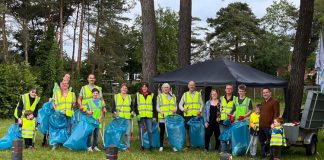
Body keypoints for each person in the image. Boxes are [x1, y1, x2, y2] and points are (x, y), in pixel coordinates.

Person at [179, 81, 204, 150]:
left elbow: (202, 104)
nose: (192, 86)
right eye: (190, 85)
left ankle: (197, 146)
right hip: (187, 115)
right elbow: (180, 104)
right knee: (187, 130)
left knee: (196, 131)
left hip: (196, 115)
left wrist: (200, 110)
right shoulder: (185, 94)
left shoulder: (198, 94)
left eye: (193, 85)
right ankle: (188, 146)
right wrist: (183, 109)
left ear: (195, 86)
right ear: (188, 86)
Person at [52, 80, 76, 150]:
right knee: (58, 128)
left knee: (68, 129)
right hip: (59, 113)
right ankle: (55, 143)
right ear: (61, 85)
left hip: (68, 113)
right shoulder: (56, 93)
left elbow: (73, 104)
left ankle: (68, 144)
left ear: (68, 85)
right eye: (63, 84)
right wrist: (56, 110)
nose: (65, 85)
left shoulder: (72, 94)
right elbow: (53, 103)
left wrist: (73, 104)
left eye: (66, 84)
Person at [111, 83, 133, 151]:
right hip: (119, 118)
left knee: (127, 133)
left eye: (125, 88)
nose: (124, 89)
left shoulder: (129, 97)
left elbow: (132, 107)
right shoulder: (116, 96)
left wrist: (132, 113)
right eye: (123, 88)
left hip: (127, 117)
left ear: (127, 90)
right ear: (120, 89)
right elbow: (113, 107)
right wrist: (114, 112)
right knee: (118, 132)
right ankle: (117, 145)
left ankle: (127, 147)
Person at [134, 82, 156, 151]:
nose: (144, 88)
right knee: (141, 131)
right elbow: (135, 106)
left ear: (147, 88)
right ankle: (142, 146)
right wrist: (137, 114)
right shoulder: (137, 95)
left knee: (150, 130)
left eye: (145, 87)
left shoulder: (152, 95)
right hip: (140, 116)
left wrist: (154, 116)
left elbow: (154, 106)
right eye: (143, 87)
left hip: (149, 116)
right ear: (141, 88)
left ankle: (150, 146)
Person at [156, 83, 177, 152]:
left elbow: (175, 106)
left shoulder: (173, 96)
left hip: (171, 118)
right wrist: (160, 111)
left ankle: (173, 146)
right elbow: (157, 107)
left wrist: (175, 109)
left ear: (169, 88)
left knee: (172, 132)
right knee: (162, 132)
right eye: (164, 87)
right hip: (162, 118)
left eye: (167, 87)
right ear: (162, 89)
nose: (166, 89)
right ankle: (161, 146)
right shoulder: (159, 96)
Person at [259, 87, 280, 159]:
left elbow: (276, 114)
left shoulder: (274, 102)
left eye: (266, 92)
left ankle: (272, 157)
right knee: (262, 142)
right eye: (264, 92)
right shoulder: (263, 102)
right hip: (261, 125)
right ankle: (263, 155)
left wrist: (273, 124)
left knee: (271, 143)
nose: (265, 94)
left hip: (269, 126)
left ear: (270, 93)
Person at [219, 84, 236, 153]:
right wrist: (218, 117)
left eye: (230, 88)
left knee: (231, 136)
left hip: (231, 121)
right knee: (223, 136)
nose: (228, 89)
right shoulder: (221, 98)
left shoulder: (235, 99)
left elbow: (236, 109)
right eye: (227, 88)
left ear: (232, 90)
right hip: (222, 121)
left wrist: (232, 116)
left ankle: (230, 151)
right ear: (225, 90)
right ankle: (223, 151)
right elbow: (218, 108)